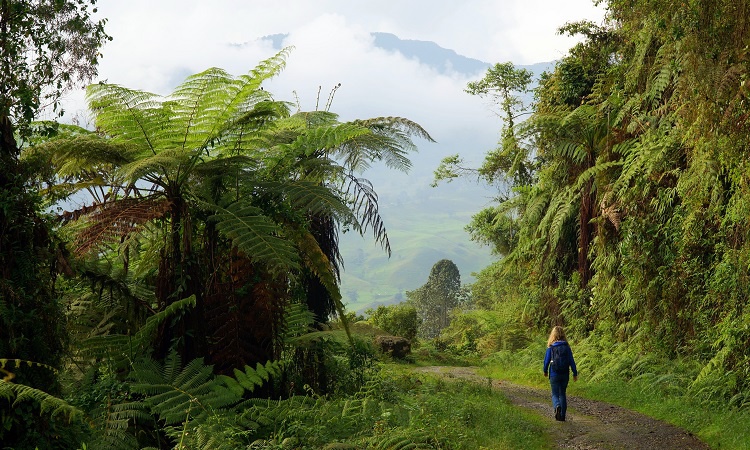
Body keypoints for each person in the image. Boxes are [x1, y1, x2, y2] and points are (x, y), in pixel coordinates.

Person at [543, 325, 578, 421]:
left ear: (553, 335)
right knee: (562, 393)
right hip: (565, 373)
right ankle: (562, 416)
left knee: (555, 394)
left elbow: (546, 361)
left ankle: (557, 405)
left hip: (554, 373)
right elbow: (571, 360)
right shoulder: (566, 346)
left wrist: (545, 371)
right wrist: (575, 373)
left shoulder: (551, 347)